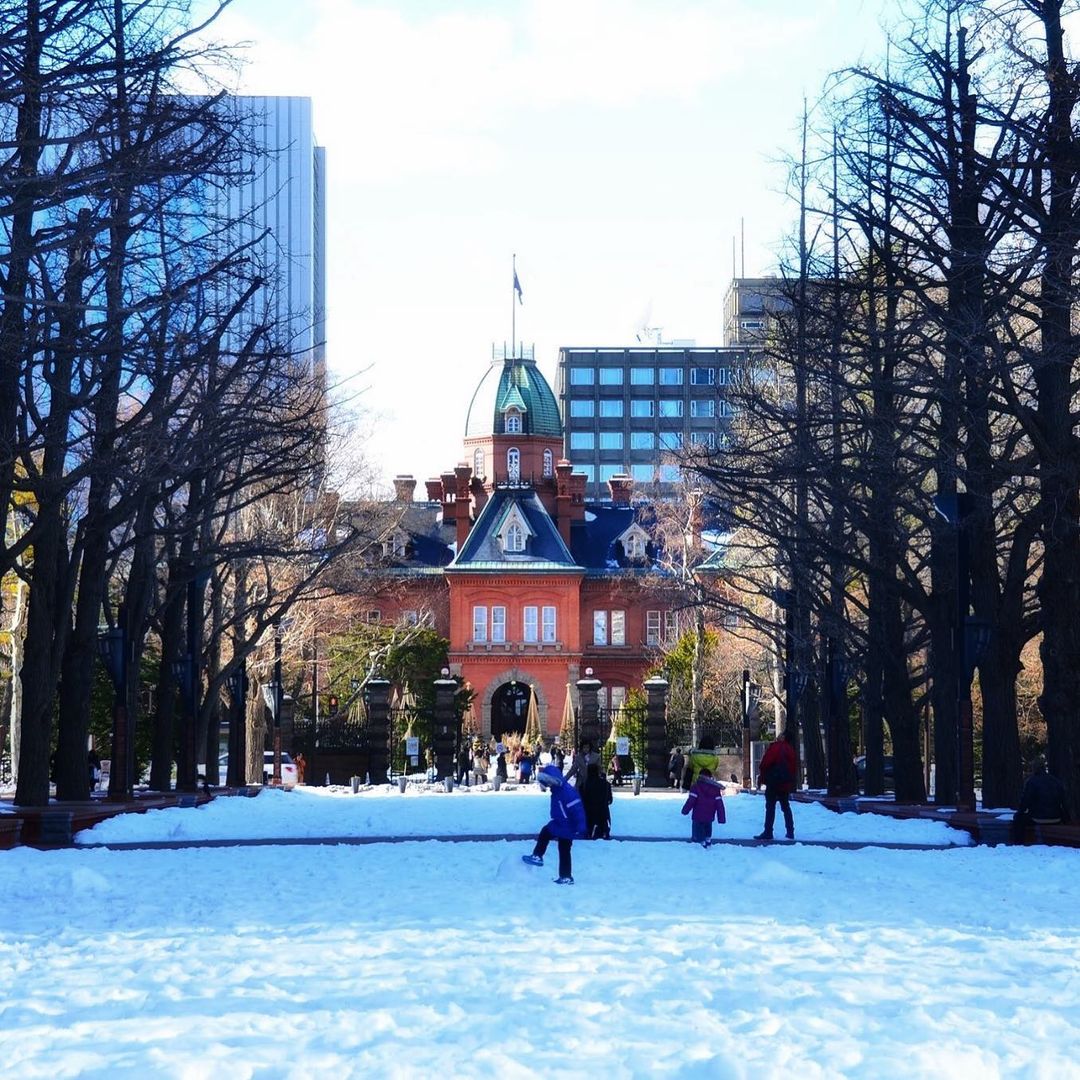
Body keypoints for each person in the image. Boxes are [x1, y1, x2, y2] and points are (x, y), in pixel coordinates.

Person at [521, 763, 586, 883]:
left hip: (566, 824)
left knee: (547, 833)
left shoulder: (567, 792)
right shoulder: (557, 790)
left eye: (548, 781)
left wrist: (581, 825)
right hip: (561, 822)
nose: (548, 784)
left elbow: (577, 809)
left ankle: (538, 856)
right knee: (563, 848)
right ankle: (565, 876)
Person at [1014, 755, 1070, 843]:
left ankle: (1018, 843)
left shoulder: (1032, 782)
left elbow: (1025, 802)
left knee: (1019, 820)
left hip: (1038, 817)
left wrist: (1019, 814)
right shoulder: (1056, 781)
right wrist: (1066, 819)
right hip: (1056, 817)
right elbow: (1064, 803)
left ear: (1034, 769)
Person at [756, 729, 797, 841]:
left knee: (770, 807)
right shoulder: (791, 750)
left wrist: (762, 777)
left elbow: (765, 762)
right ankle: (790, 831)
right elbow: (793, 767)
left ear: (783, 737)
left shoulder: (776, 747)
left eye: (781, 734)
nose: (779, 735)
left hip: (773, 781)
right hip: (784, 782)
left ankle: (768, 831)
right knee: (785, 806)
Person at [681, 767, 726, 847]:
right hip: (710, 815)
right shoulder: (715, 789)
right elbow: (719, 804)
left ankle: (699, 841)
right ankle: (707, 839)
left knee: (698, 828)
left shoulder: (696, 787)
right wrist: (721, 817)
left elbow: (691, 801)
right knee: (708, 826)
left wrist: (685, 810)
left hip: (697, 815)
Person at [582, 761, 613, 839]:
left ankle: (591, 831)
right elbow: (610, 800)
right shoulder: (606, 784)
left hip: (590, 812)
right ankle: (604, 831)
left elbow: (584, 799)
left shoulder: (584, 785)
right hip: (603, 811)